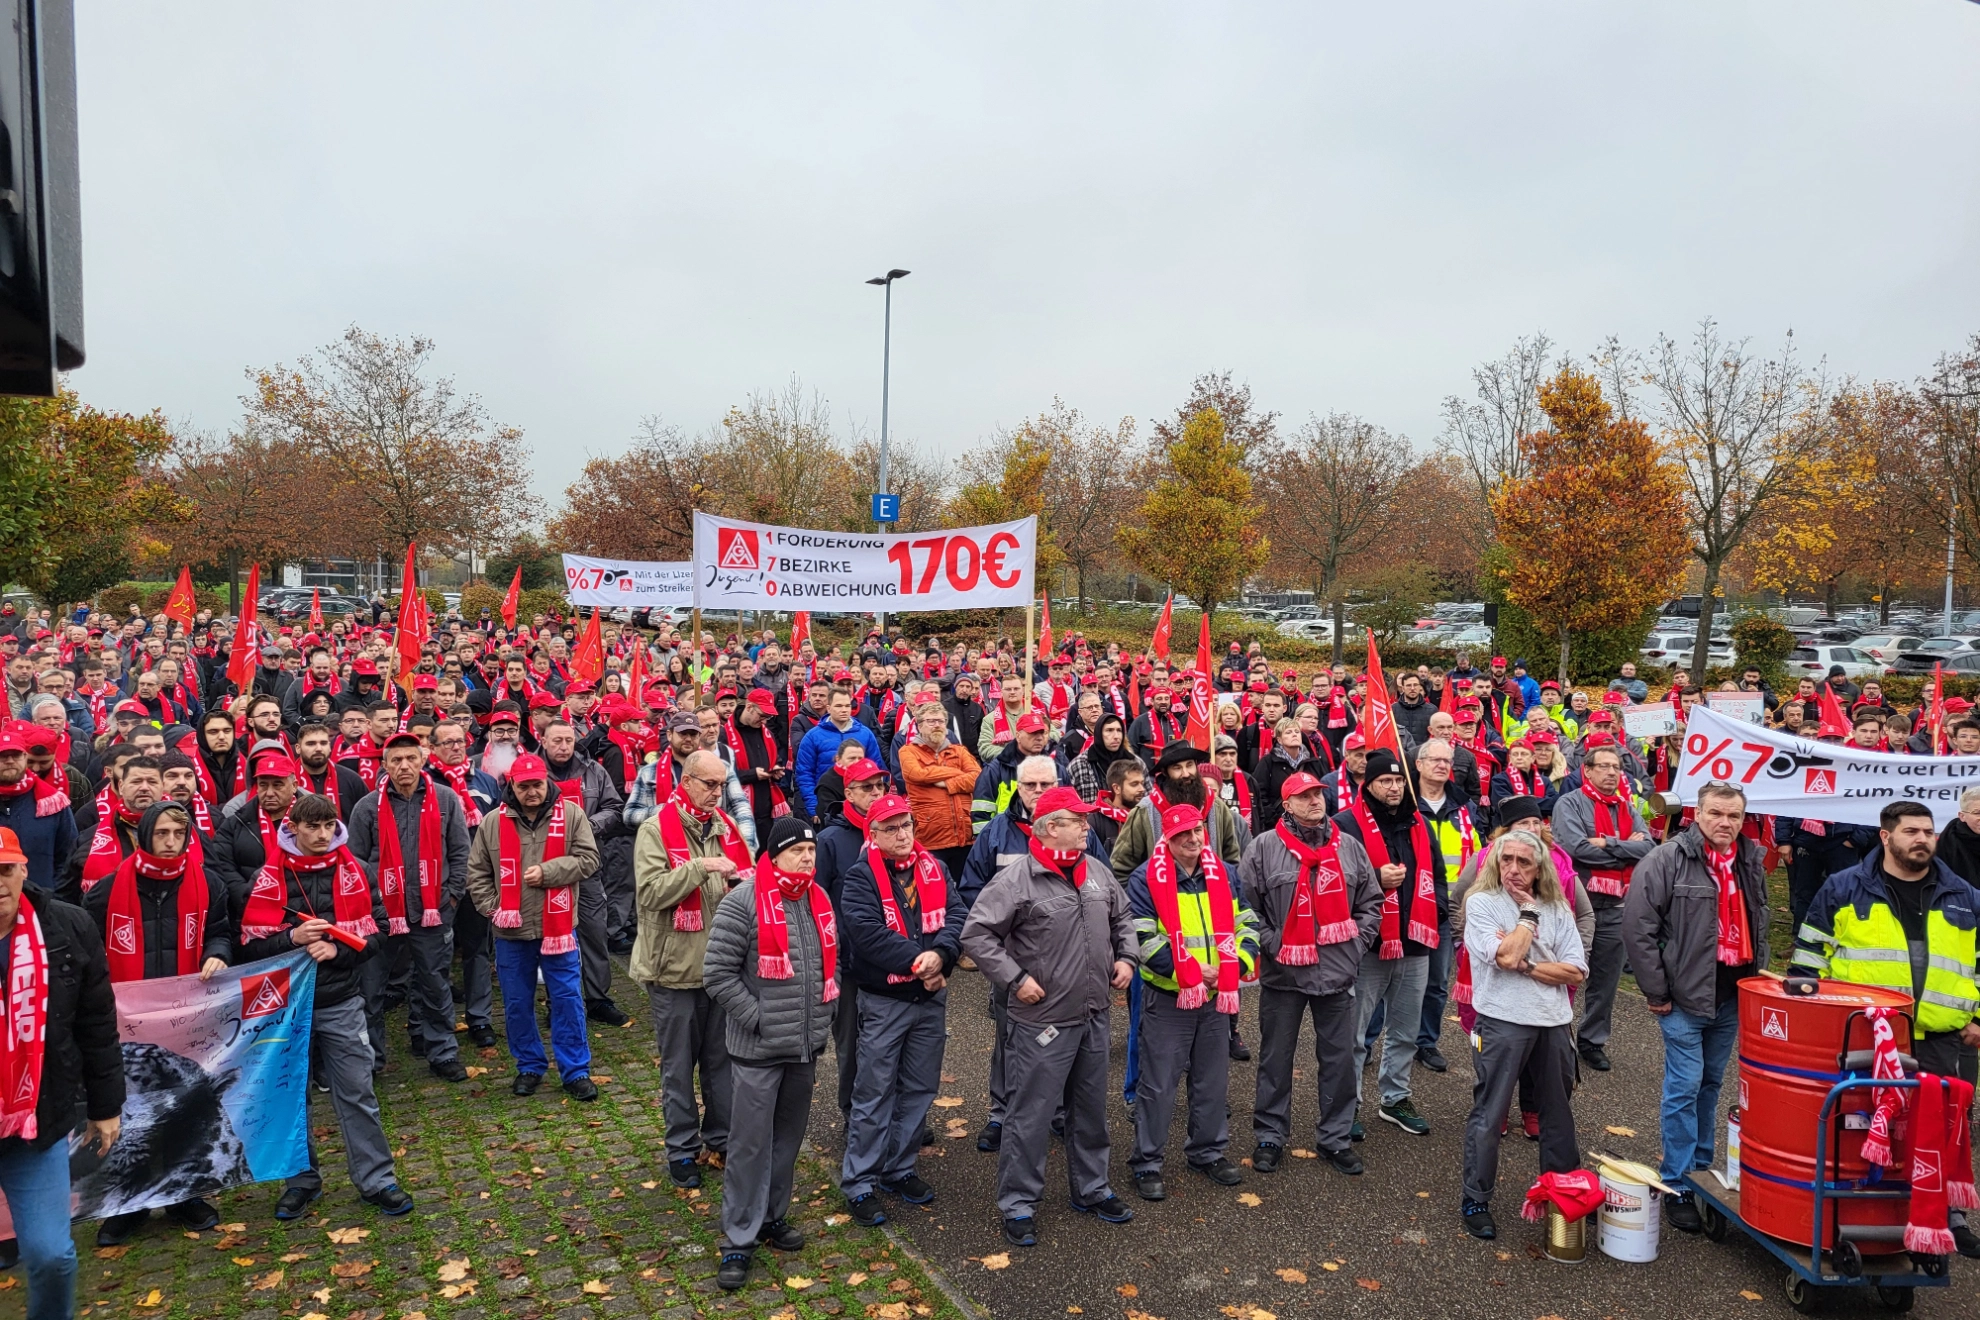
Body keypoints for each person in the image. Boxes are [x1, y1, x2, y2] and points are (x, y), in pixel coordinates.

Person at [1793, 799, 1980, 1257]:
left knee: (1941, 1133)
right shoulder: (1842, 888)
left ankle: (1945, 1219)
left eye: (1928, 832)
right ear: (1885, 836)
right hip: (1866, 1039)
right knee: (1866, 1131)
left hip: (1940, 1037)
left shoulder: (1965, 896)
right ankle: (1864, 1215)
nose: (1922, 839)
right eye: (1911, 831)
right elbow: (1807, 963)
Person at [962, 786, 1138, 1248]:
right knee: (1031, 1114)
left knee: (1090, 1110)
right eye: (1076, 820)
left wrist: (1127, 959)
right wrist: (1015, 979)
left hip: (1094, 1013)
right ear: (1048, 827)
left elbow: (1124, 920)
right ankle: (1018, 1203)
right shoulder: (1017, 879)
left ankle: (1092, 1189)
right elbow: (977, 935)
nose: (1086, 826)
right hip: (1042, 1020)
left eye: (1084, 819)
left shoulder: (1096, 871)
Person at [235, 792, 413, 1220]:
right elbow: (249, 946)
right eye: (311, 827)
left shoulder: (357, 870)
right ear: (291, 828)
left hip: (341, 999)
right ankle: (301, 1181)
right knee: (291, 1097)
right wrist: (290, 940)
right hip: (286, 1006)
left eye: (328, 825)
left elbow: (381, 931)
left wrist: (340, 952)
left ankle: (376, 1179)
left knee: (358, 1091)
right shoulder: (267, 876)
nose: (321, 834)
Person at [80, 800, 230, 1243]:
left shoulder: (209, 883)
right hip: (127, 1022)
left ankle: (185, 1194)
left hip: (185, 1016)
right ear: (144, 836)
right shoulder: (106, 891)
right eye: (161, 834)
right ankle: (130, 1204)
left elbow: (220, 930)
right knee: (130, 1108)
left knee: (182, 1102)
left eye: (177, 835)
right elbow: (89, 952)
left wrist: (218, 953)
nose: (170, 843)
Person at [1622, 781, 1768, 1234]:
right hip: (1684, 995)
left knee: (1710, 1083)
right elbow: (1639, 928)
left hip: (1732, 991)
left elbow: (1760, 920)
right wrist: (1657, 992)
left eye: (1734, 816)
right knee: (1684, 1086)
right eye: (1716, 814)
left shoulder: (1750, 860)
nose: (1725, 823)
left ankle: (1703, 1171)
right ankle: (1678, 1180)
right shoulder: (1666, 859)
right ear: (1697, 814)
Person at [702, 816, 837, 1291]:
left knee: (786, 1141)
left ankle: (772, 1217)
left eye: (812, 851)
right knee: (748, 1146)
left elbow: (824, 971)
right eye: (797, 851)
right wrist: (760, 1018)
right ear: (773, 854)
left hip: (803, 1048)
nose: (807, 858)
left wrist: (819, 1022)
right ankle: (738, 1239)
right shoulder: (742, 902)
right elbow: (717, 975)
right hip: (758, 1049)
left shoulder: (817, 901)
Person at [0, 824, 123, 1320]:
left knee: (52, 1255)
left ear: (23, 869)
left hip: (36, 1118)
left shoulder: (67, 926)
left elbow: (96, 1023)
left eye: (4, 869)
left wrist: (105, 1106)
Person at [1242, 770, 1382, 1175]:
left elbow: (1371, 903)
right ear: (1286, 804)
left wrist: (1354, 946)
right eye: (1304, 796)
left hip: (1337, 974)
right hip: (1283, 975)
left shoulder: (1349, 848)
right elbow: (1246, 907)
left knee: (1339, 1060)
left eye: (1318, 794)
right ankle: (1270, 1136)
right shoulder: (1263, 848)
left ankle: (1335, 1138)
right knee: (1275, 1058)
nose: (1315, 801)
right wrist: (1273, 944)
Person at [835, 793, 965, 1225]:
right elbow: (866, 934)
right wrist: (920, 961)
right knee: (873, 1092)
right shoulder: (860, 878)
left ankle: (899, 1167)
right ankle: (860, 1182)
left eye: (906, 825)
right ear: (873, 834)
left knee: (919, 1088)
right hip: (885, 1000)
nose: (902, 833)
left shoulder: (935, 867)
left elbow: (958, 915)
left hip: (929, 998)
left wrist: (942, 955)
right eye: (890, 828)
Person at [1457, 828, 1587, 1240]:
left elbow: (1575, 971)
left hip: (1553, 1022)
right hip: (1501, 1021)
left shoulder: (1559, 908)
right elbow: (1505, 954)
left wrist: (1529, 967)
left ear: (1539, 868)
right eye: (1506, 859)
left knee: (1557, 1116)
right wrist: (1527, 918)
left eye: (1523, 862)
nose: (1513, 868)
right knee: (1490, 1112)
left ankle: (1563, 1196)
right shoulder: (1481, 903)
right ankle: (1475, 1197)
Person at [1123, 802, 1258, 1199]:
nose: (1194, 839)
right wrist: (1195, 972)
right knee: (1158, 1085)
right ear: (1168, 837)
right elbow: (1142, 938)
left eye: (1198, 831)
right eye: (1184, 834)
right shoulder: (1145, 878)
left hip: (1218, 997)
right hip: (1169, 997)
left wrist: (1240, 962)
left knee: (1212, 1081)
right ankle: (1147, 1162)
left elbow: (1248, 922)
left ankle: (1207, 1151)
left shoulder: (1226, 873)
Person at [631, 748, 751, 1187]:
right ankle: (682, 1150)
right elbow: (650, 893)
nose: (717, 792)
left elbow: (745, 878)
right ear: (686, 782)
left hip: (721, 971)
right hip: (673, 971)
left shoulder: (726, 827)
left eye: (722, 784)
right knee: (679, 1069)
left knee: (721, 1064)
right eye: (709, 784)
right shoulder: (654, 829)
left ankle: (721, 1139)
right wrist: (700, 867)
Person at [464, 752, 602, 1101]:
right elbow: (477, 872)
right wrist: (493, 909)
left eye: (537, 785)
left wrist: (550, 873)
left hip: (559, 928)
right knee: (516, 1003)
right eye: (523, 786)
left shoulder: (571, 814)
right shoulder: (493, 822)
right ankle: (529, 1066)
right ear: (512, 785)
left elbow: (589, 859)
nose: (531, 792)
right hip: (511, 931)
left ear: (547, 782)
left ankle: (575, 1071)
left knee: (568, 999)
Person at [347, 731, 473, 1081]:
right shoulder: (367, 807)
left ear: (423, 760)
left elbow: (461, 852)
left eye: (410, 759)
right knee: (371, 989)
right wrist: (367, 906)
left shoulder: (445, 800)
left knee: (434, 984)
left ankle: (442, 1051)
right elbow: (355, 861)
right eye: (396, 760)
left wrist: (451, 897)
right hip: (381, 916)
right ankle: (370, 1059)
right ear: (384, 765)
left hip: (432, 910)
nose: (404, 766)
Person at [1335, 748, 1442, 1138]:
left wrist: (1438, 914)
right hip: (1368, 945)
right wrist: (1375, 880)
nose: (1394, 787)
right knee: (1356, 1033)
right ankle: (1348, 1105)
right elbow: (1334, 883)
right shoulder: (1345, 825)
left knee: (1405, 1030)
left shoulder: (1417, 822)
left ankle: (1395, 1098)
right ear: (1369, 785)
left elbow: (1439, 877)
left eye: (1399, 781)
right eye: (1386, 781)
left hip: (1415, 941)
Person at [1549, 744, 1653, 1073]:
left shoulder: (1626, 805)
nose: (1611, 772)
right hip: (1577, 906)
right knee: (1563, 974)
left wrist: (1608, 843)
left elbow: (1649, 847)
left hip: (1617, 905)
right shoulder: (1570, 803)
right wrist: (1627, 848)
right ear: (1588, 771)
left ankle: (1592, 1041)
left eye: (1616, 767)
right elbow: (1576, 849)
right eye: (1604, 766)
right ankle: (1552, 1034)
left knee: (1606, 981)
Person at [897, 699, 979, 880]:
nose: (937, 725)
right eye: (931, 721)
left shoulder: (959, 751)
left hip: (964, 836)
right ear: (919, 725)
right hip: (932, 837)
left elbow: (977, 778)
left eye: (940, 721)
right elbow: (916, 774)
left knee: (964, 892)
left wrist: (950, 784)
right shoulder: (908, 751)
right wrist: (955, 772)